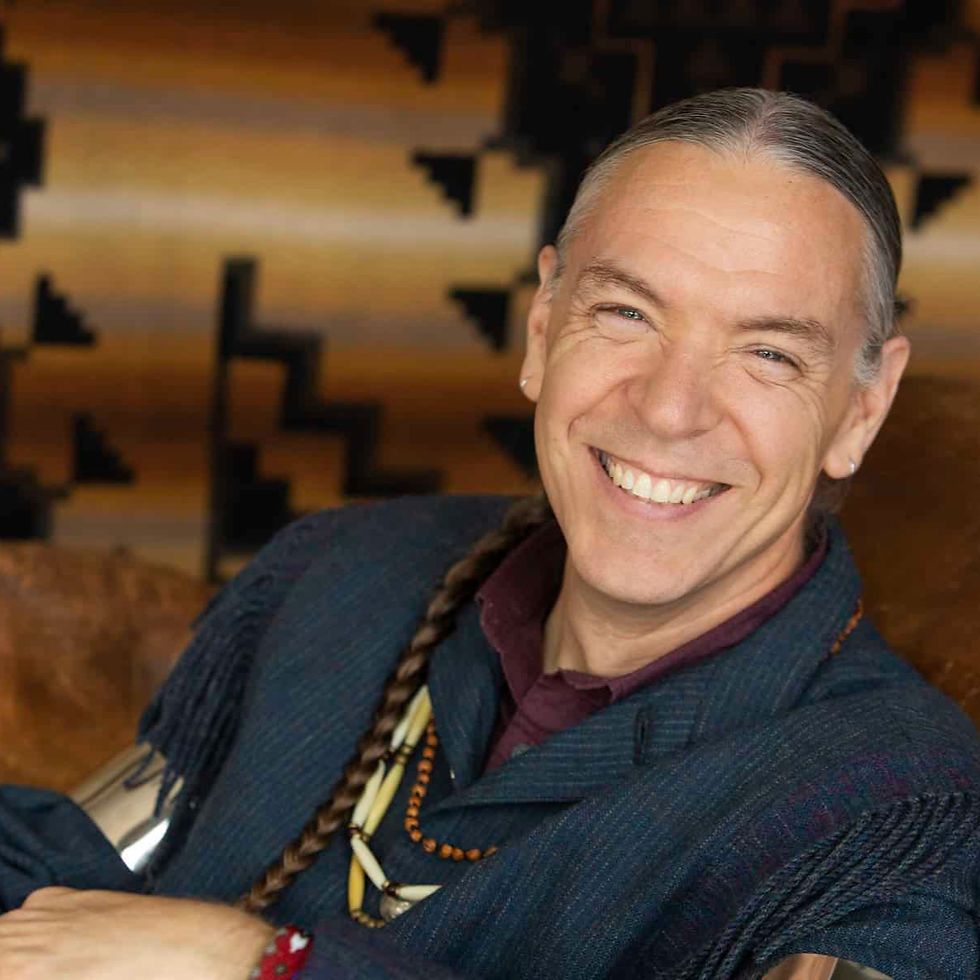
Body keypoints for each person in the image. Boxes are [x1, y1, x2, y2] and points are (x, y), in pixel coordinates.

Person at [0, 87, 977, 980]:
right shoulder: (337, 571)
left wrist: (261, 962)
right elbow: (74, 869)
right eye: (626, 312)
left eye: (767, 352)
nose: (670, 409)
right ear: (543, 326)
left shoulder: (906, 812)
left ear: (862, 407)